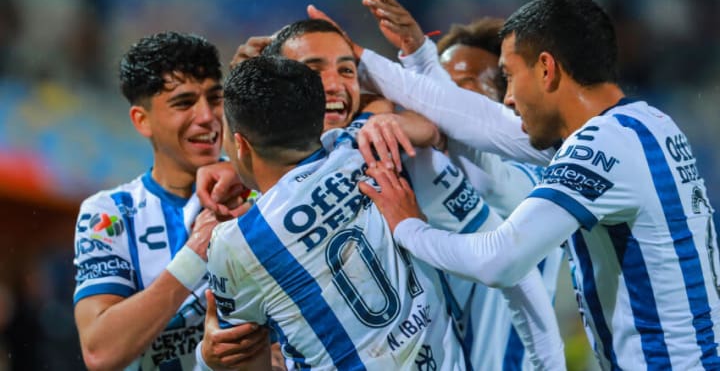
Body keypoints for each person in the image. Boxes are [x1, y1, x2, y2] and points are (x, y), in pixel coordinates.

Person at [358, 0, 720, 370]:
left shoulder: (603, 146)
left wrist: (407, 226)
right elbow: (479, 120)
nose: (510, 98)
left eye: (510, 77)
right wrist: (367, 59)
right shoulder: (646, 125)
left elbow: (501, 260)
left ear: (547, 69)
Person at [200, 18, 565, 370]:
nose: (332, 85)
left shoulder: (391, 150)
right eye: (313, 71)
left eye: (347, 70)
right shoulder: (361, 150)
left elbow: (511, 267)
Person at [202, 55, 467, 369]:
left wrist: (209, 358)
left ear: (241, 144)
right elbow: (392, 107)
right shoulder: (355, 147)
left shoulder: (236, 242)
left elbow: (244, 359)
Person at [361, 0, 565, 370]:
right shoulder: (428, 177)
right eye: (440, 87)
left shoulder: (542, 177)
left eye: (466, 87)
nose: (442, 102)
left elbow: (482, 162)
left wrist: (421, 59)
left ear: (507, 100)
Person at [72, 31, 266, 370]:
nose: (207, 116)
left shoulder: (261, 189)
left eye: (214, 98)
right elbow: (100, 352)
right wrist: (195, 255)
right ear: (141, 120)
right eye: (184, 102)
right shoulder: (109, 213)